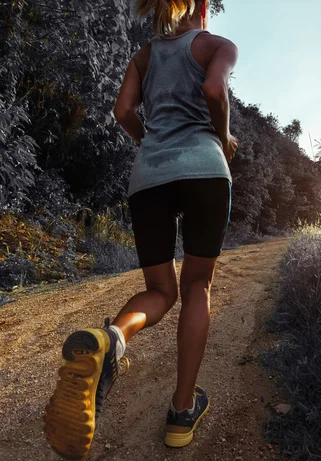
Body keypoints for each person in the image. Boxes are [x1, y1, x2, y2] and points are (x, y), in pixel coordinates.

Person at [43, 0, 238, 457]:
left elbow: (122, 111)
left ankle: (112, 338)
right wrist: (223, 140)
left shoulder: (144, 56)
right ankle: (181, 411)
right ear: (204, 8)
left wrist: (152, 143)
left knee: (159, 291)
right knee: (196, 287)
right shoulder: (217, 45)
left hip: (148, 178)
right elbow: (214, 89)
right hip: (206, 171)